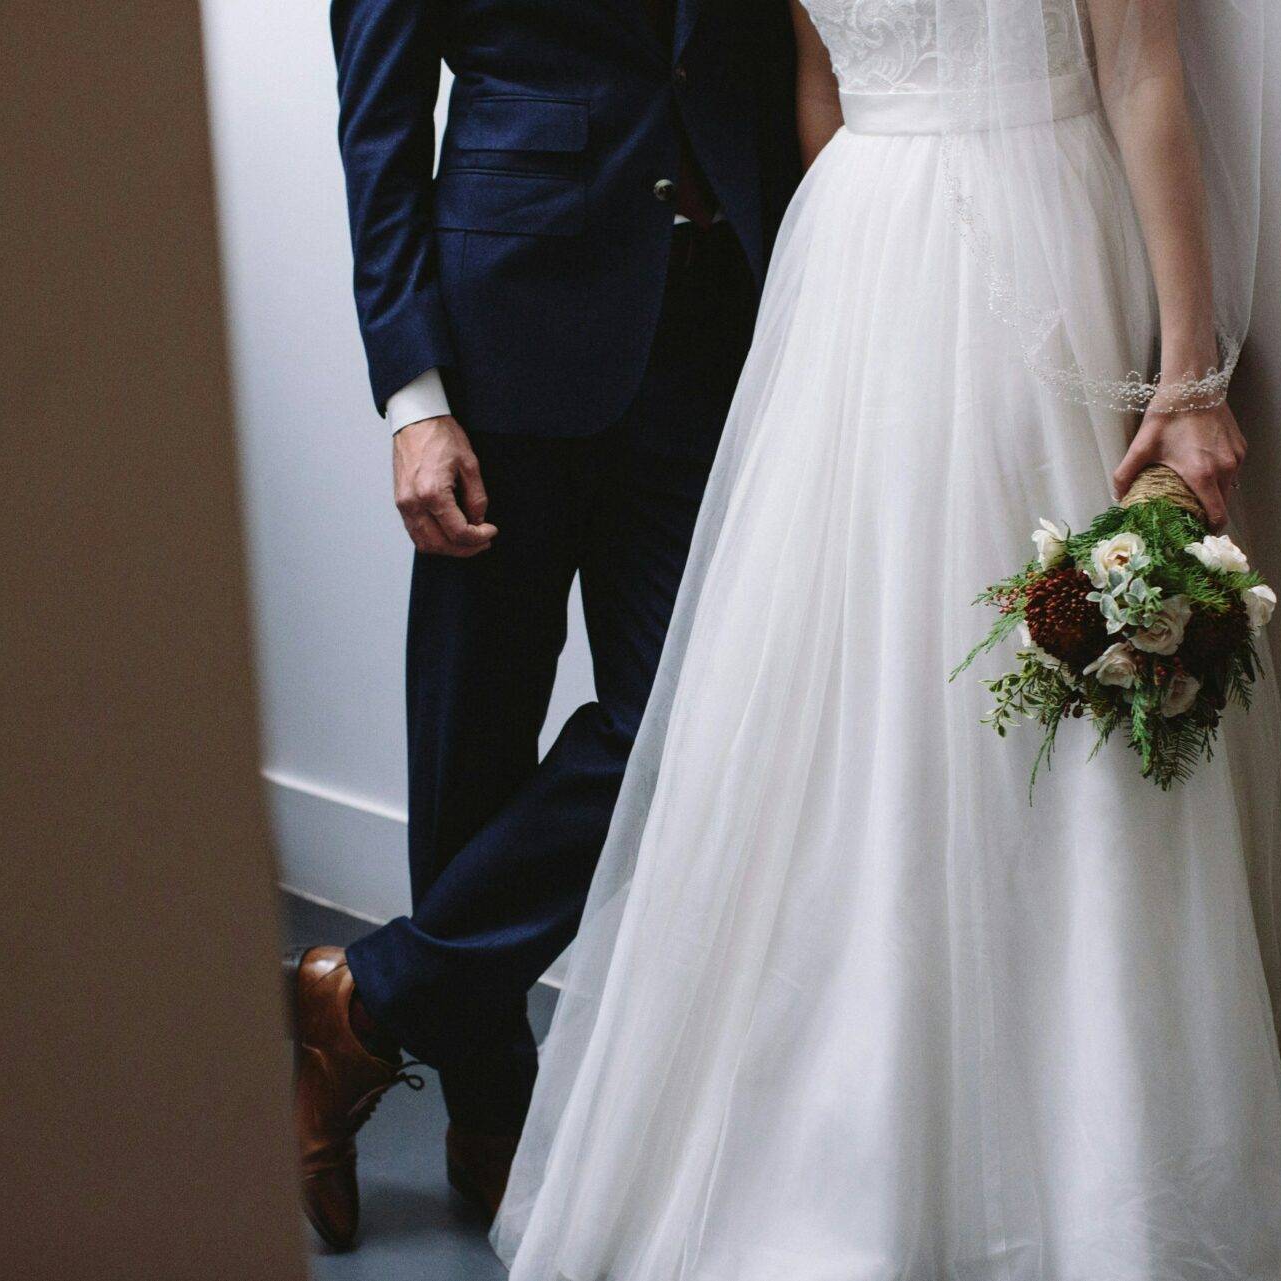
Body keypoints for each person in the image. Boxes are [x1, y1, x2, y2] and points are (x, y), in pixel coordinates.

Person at [493, 0, 1281, 1277]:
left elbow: (1099, 75)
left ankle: (981, 1158)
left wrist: (1186, 369)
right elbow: (877, 78)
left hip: (952, 251)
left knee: (974, 689)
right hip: (937, 251)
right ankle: (942, 1161)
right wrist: (1178, 363)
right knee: (901, 694)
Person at [285, 0, 799, 1251]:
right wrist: (415, 401)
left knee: (688, 712)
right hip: (504, 330)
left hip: (725, 326)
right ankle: (490, 1114)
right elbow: (382, 126)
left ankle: (363, 1001)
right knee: (475, 730)